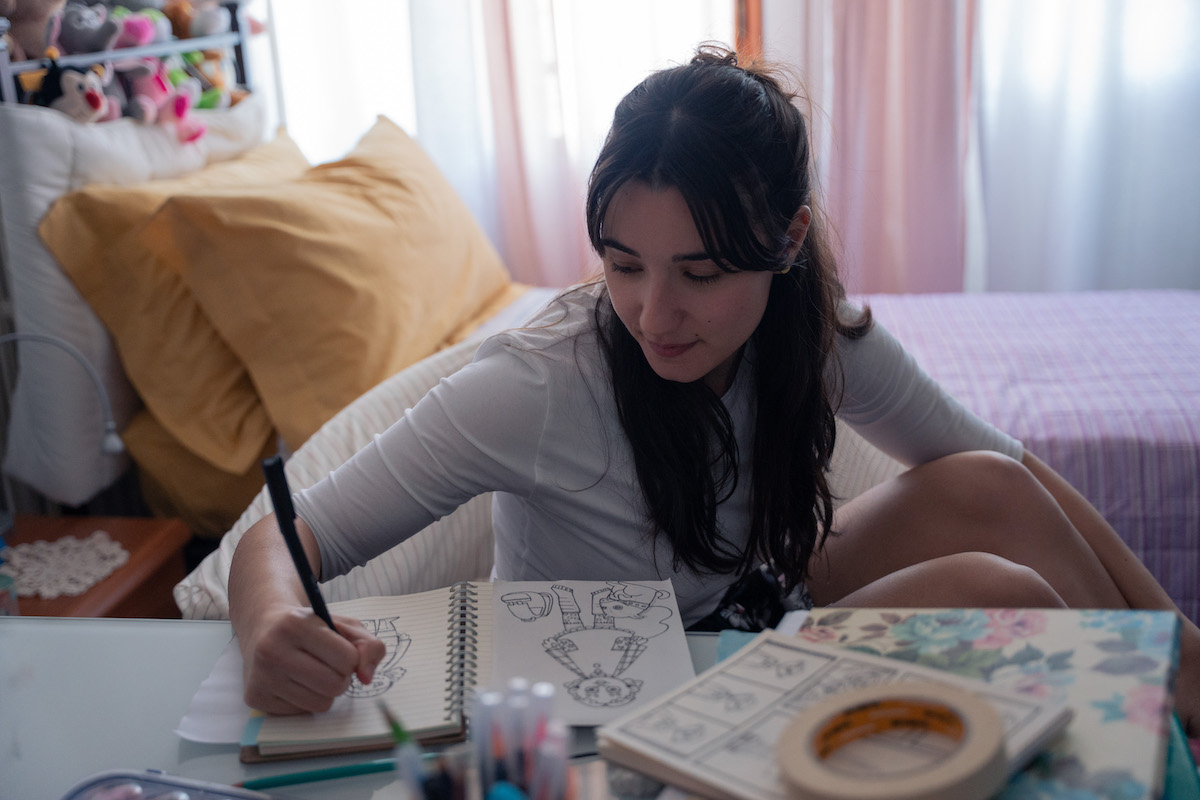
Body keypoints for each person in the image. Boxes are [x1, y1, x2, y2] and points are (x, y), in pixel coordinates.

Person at [228, 45, 1198, 735]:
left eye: (700, 273)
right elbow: (287, 534)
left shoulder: (810, 331)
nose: (654, 314)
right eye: (623, 265)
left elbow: (1008, 468)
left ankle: (1176, 705)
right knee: (1005, 595)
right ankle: (1150, 732)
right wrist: (271, 621)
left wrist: (1182, 641)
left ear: (787, 239)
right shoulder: (534, 386)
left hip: (754, 606)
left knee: (991, 487)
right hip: (633, 692)